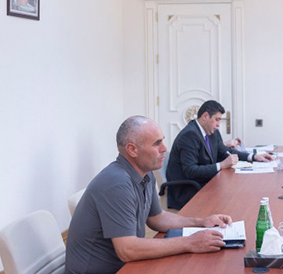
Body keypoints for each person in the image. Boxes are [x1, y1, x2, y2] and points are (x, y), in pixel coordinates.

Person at [65, 116, 232, 274]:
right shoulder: (117, 183)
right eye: (157, 143)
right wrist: (190, 242)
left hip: (124, 266)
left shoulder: (145, 173)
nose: (164, 148)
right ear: (132, 150)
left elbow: (157, 218)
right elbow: (127, 249)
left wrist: (201, 223)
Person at [166, 100, 273, 209]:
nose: (218, 125)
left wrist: (253, 157)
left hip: (205, 183)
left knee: (239, 193)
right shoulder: (189, 135)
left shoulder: (212, 132)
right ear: (205, 116)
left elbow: (226, 152)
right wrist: (221, 165)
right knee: (232, 201)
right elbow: (190, 171)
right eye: (216, 119)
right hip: (188, 190)